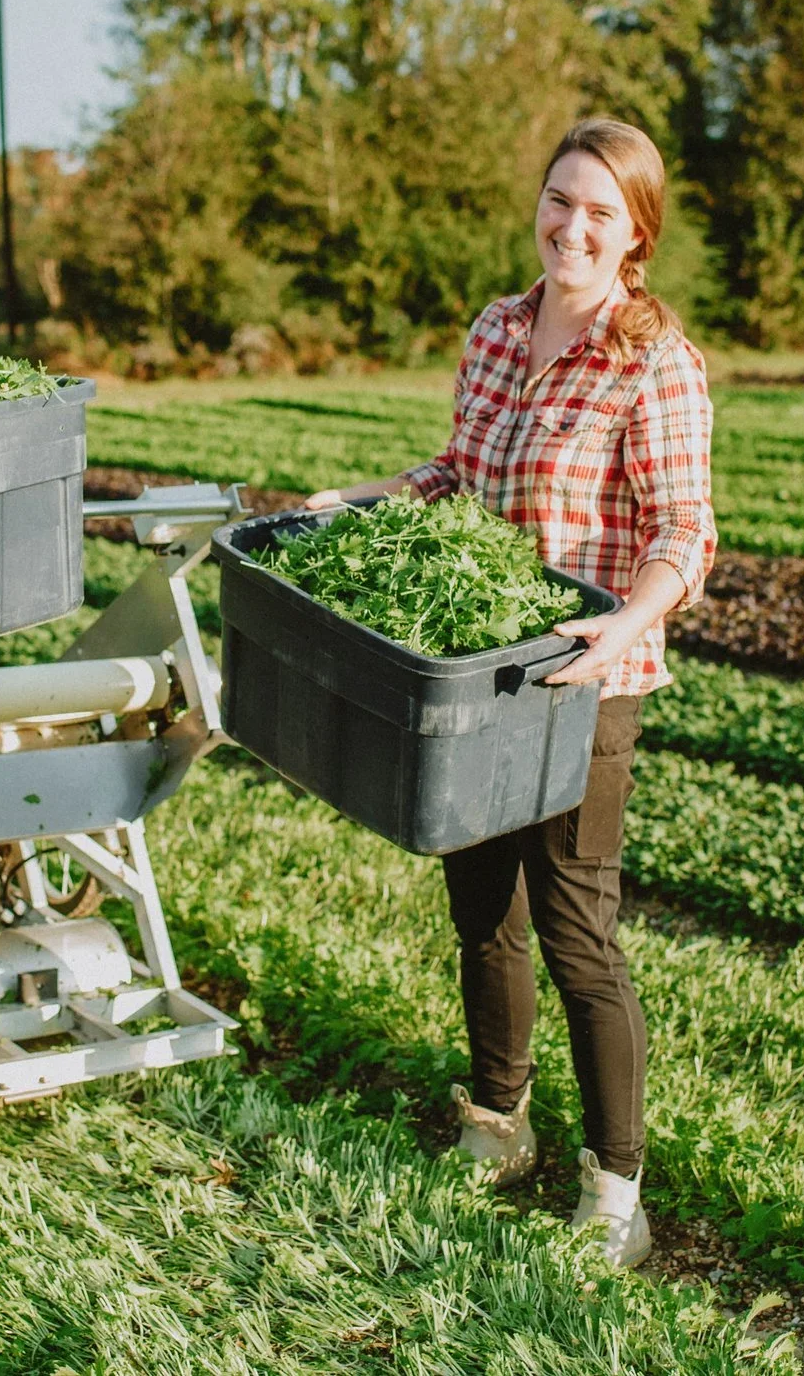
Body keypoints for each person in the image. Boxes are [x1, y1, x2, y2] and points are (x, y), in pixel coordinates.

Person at [305, 117, 716, 1269]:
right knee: (481, 909)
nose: (570, 225)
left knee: (576, 929)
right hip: (478, 665)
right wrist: (368, 500)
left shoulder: (653, 359)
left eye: (599, 210)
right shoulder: (497, 328)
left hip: (586, 677)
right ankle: (497, 1121)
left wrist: (623, 622)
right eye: (557, 199)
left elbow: (687, 530)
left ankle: (615, 1192)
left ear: (635, 233)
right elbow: (457, 473)